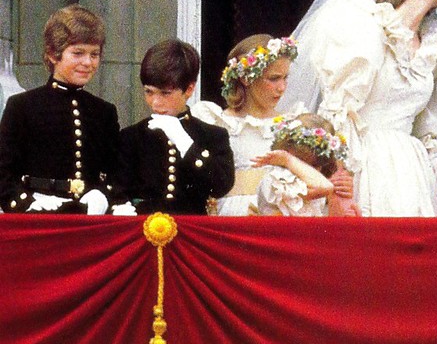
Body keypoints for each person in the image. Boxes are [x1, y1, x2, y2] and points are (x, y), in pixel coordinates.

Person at [280, 0, 437, 217]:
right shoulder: (365, 28)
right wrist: (339, 189)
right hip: (364, 167)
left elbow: (433, 132)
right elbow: (339, 114)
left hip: (413, 174)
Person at [191, 34, 354, 215]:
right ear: (246, 78)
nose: (282, 87)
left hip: (285, 216)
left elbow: (320, 178)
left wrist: (338, 181)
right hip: (236, 216)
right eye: (274, 78)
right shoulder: (218, 123)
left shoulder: (295, 124)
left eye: (285, 78)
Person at [0, 4, 126, 214]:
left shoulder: (104, 112)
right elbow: (3, 173)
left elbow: (116, 172)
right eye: (78, 53)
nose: (88, 62)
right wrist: (27, 202)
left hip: (88, 219)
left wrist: (104, 195)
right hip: (39, 220)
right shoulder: (22, 106)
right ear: (52, 54)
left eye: (94, 54)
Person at [118, 39, 235, 215]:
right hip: (144, 230)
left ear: (189, 89)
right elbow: (119, 190)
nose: (155, 103)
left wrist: (186, 144)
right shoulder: (131, 137)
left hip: (191, 233)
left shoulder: (212, 135)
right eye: (149, 92)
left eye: (165, 93)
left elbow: (221, 186)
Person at [255, 113, 360, 216]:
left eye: (316, 166)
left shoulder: (315, 181)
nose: (312, 171)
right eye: (302, 163)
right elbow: (325, 187)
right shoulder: (277, 180)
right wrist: (288, 160)